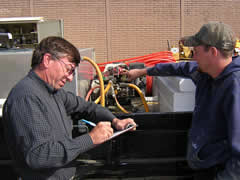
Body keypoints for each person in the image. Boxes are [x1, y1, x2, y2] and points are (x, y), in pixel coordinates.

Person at [2, 36, 136, 180]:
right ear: (47, 60)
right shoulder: (26, 98)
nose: (70, 78)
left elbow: (87, 107)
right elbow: (38, 156)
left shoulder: (54, 92)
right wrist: (90, 139)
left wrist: (115, 121)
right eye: (69, 69)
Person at [123, 21, 240, 180]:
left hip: (218, 170)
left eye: (195, 51)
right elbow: (178, 68)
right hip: (203, 165)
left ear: (212, 52)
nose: (192, 56)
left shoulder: (234, 87)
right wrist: (141, 72)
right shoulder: (206, 73)